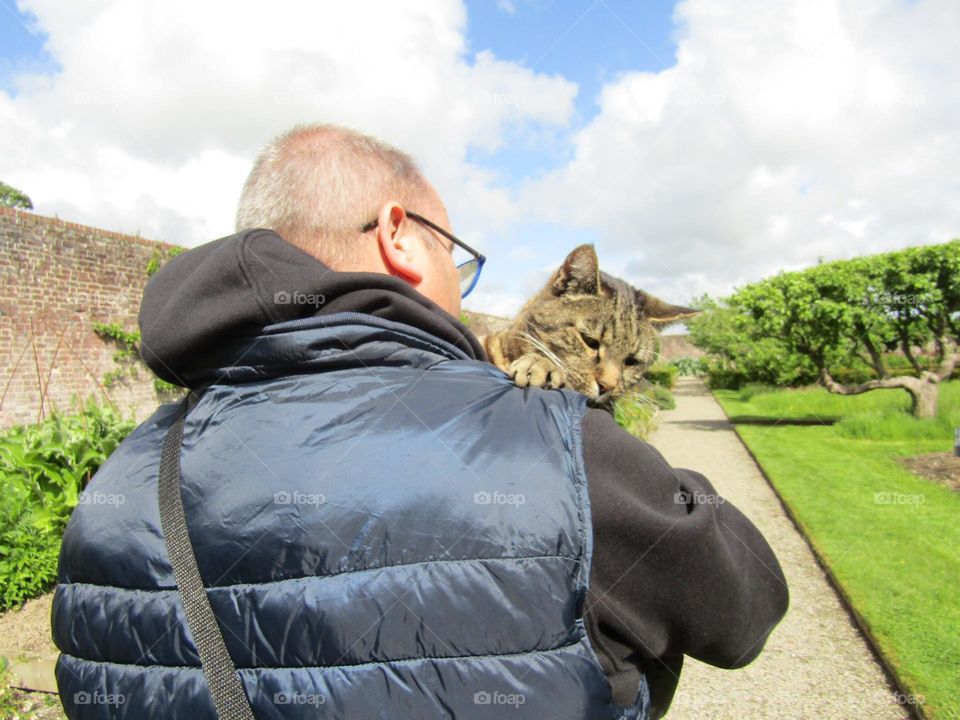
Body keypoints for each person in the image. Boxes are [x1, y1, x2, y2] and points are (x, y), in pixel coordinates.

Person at [52, 124, 788, 719]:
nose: (463, 292)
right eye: (456, 257)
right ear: (399, 236)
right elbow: (744, 611)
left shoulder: (121, 477)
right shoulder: (551, 442)